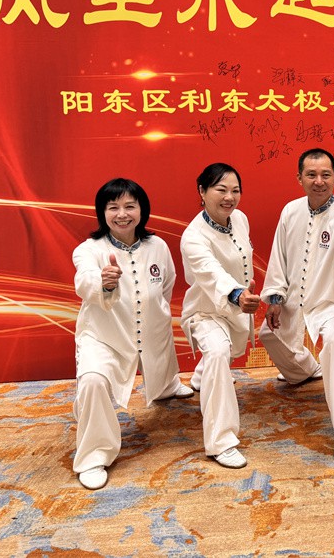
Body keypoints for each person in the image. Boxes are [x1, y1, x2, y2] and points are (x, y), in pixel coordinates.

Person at [72, 179, 193, 490]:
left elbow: (166, 284)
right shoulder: (88, 250)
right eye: (113, 207)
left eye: (129, 206)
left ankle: (167, 386)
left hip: (149, 328)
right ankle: (94, 456)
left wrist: (156, 312)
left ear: (142, 209)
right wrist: (104, 282)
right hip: (103, 336)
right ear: (102, 212)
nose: (122, 214)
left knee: (160, 356)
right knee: (93, 380)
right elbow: (84, 281)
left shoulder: (158, 247)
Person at [258, 148, 334, 463]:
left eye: (325, 175)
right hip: (295, 299)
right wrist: (275, 298)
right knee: (268, 334)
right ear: (300, 178)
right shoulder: (290, 211)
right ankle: (303, 370)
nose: (319, 181)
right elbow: (279, 258)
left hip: (332, 302)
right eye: (311, 175)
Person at [180, 163, 261, 469]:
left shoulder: (240, 219)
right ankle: (221, 442)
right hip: (205, 310)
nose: (229, 197)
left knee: (221, 356)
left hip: (235, 309)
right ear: (202, 192)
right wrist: (238, 294)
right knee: (217, 351)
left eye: (235, 190)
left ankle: (202, 376)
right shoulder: (193, 237)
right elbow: (211, 272)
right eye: (221, 190)